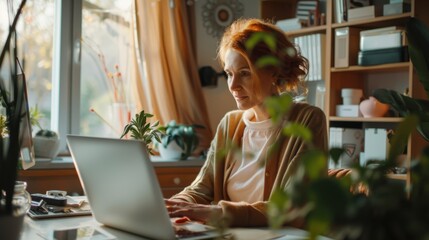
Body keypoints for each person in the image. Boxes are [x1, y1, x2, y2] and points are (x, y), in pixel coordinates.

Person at [166, 18, 327, 227]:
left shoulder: (308, 120)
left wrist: (217, 213)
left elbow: (293, 206)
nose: (233, 85)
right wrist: (172, 207)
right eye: (229, 74)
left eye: (245, 73)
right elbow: (200, 189)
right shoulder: (229, 124)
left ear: (274, 72)